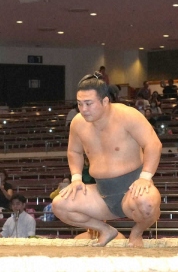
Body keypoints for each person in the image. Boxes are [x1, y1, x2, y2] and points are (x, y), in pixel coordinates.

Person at [52, 72, 161, 247]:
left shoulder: (128, 115)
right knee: (59, 205)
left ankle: (136, 233)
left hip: (132, 188)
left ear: (104, 101)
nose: (83, 109)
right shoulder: (78, 123)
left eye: (88, 103)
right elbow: (74, 151)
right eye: (80, 104)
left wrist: (145, 178)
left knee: (147, 204)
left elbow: (153, 145)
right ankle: (106, 230)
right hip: (101, 194)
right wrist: (76, 178)